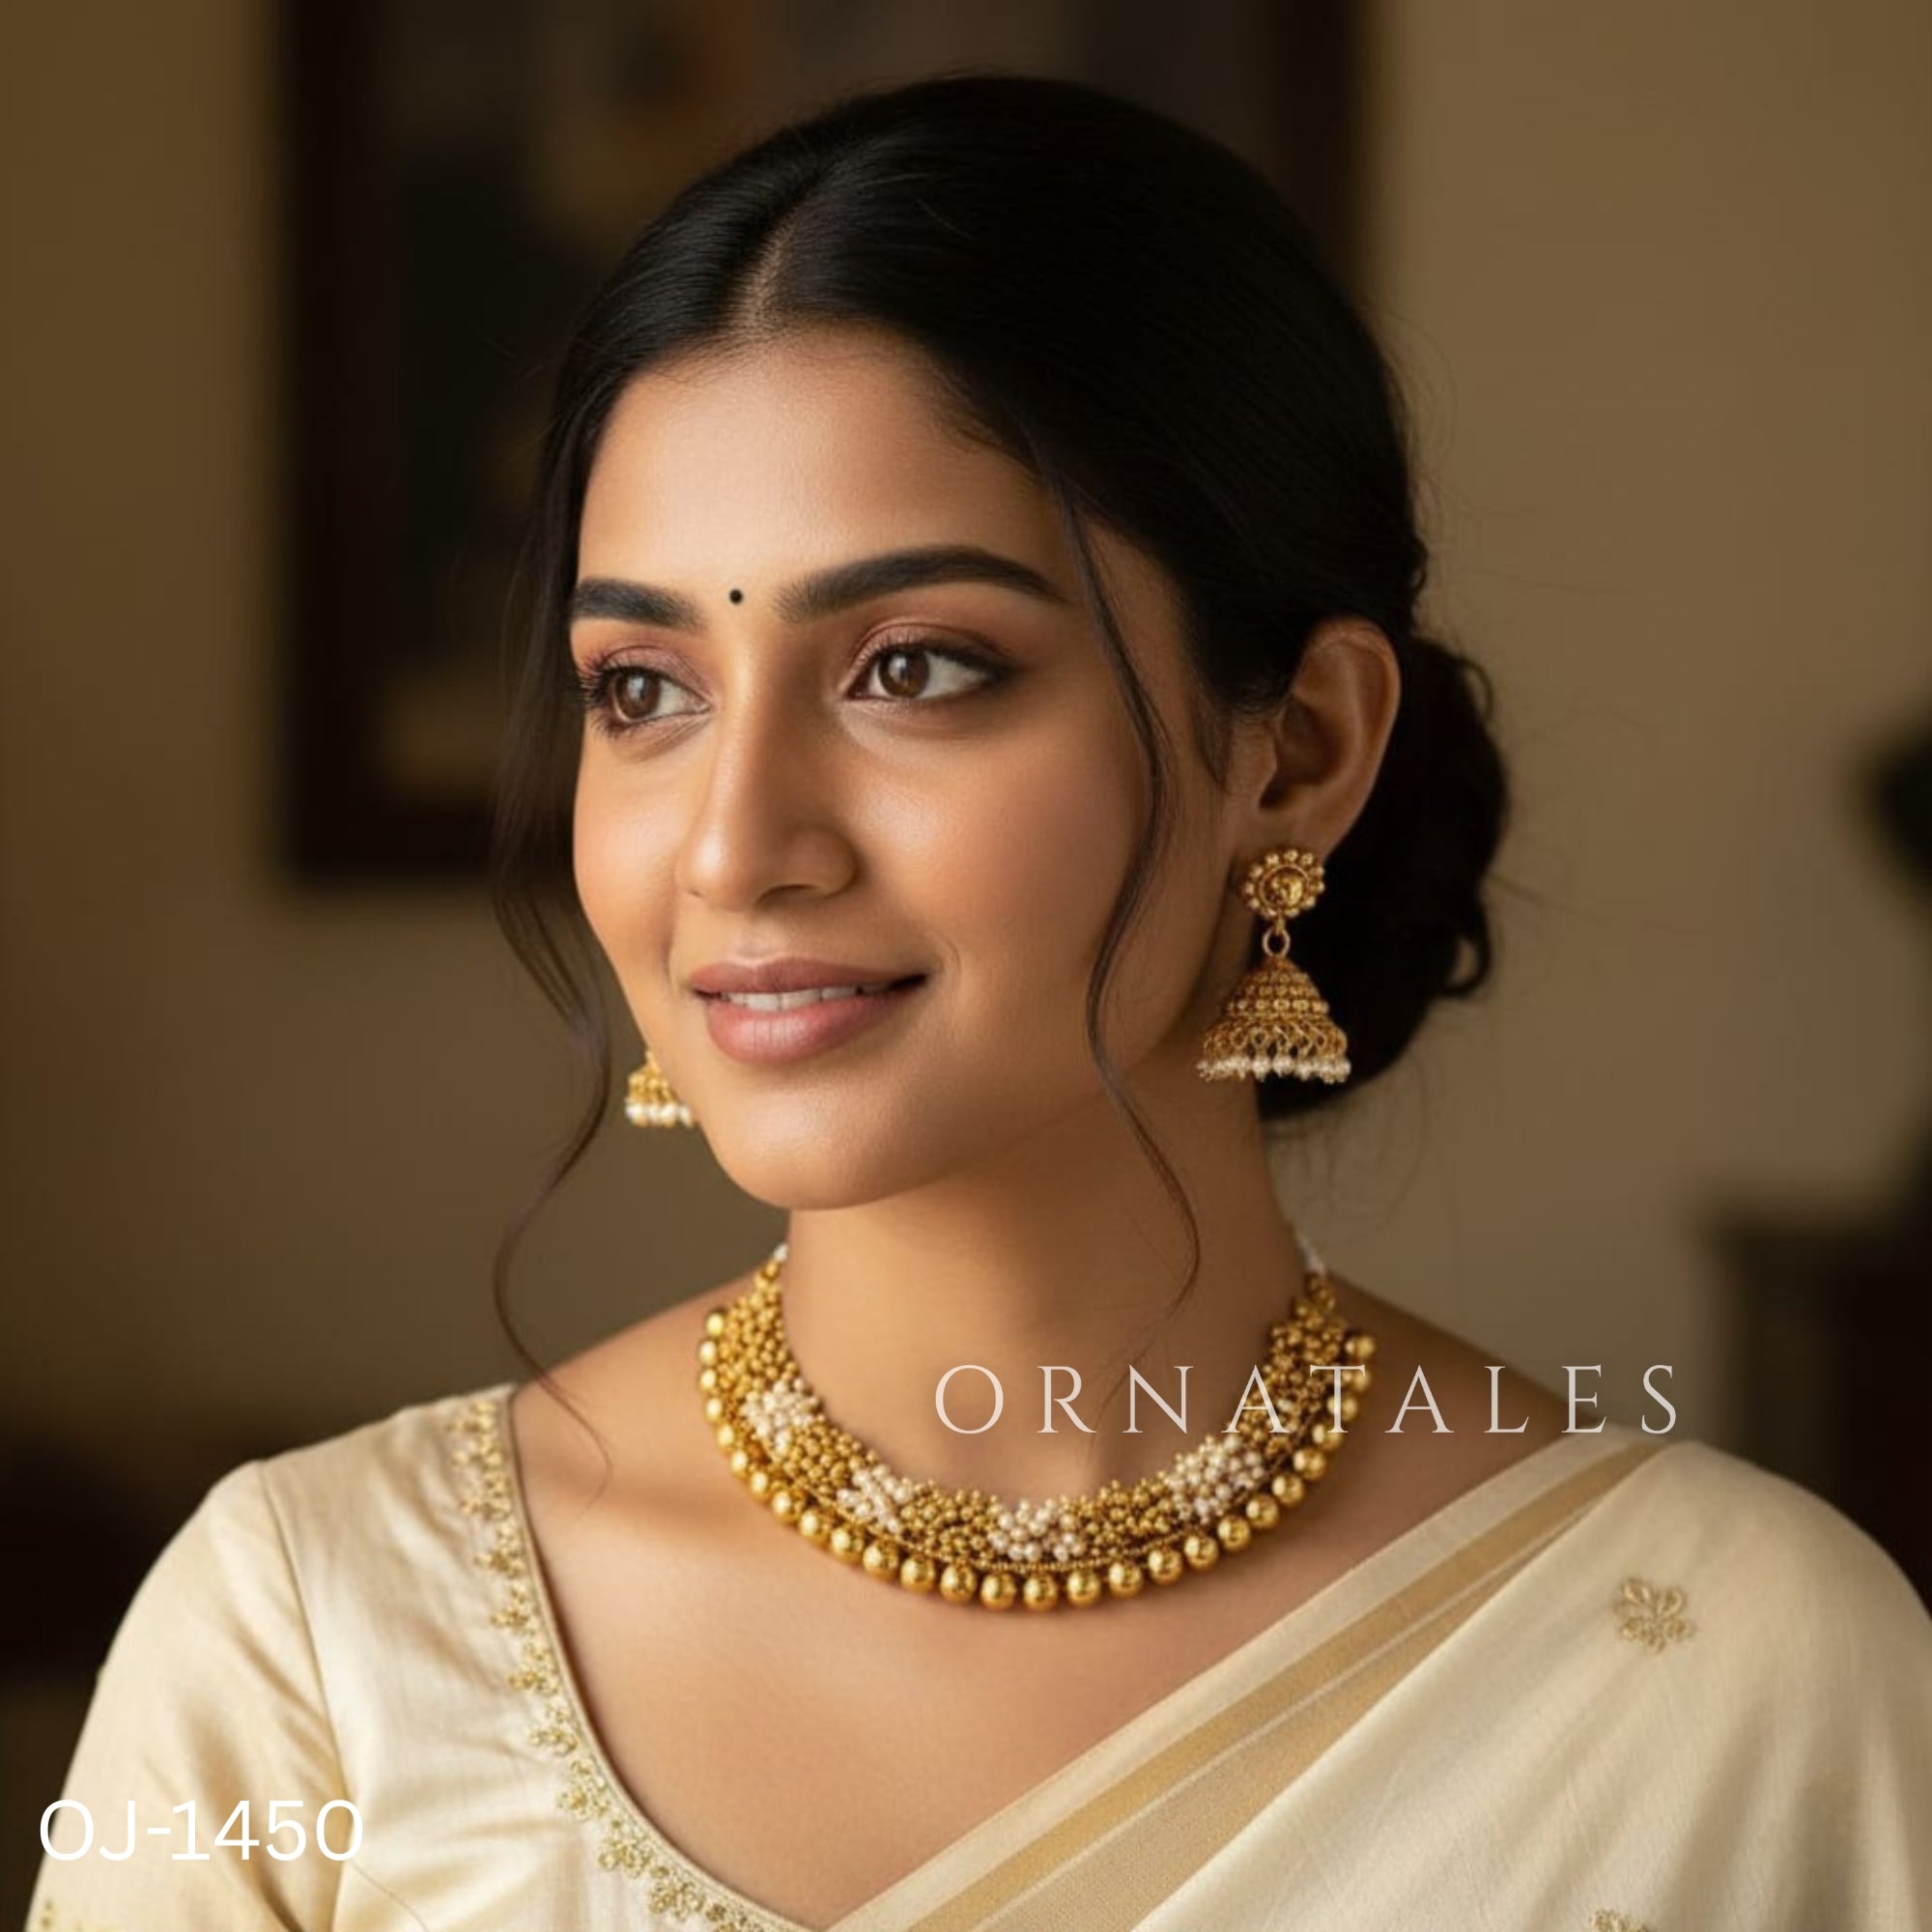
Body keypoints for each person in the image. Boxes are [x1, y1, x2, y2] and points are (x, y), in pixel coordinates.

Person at [28, 71, 1929, 1932]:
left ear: (1302, 749)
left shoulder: (1738, 1681)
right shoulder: (306, 1643)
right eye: (642, 690)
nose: (732, 845)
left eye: (918, 666)